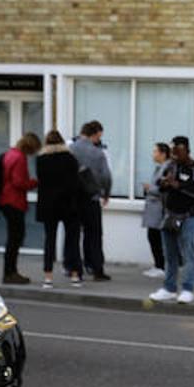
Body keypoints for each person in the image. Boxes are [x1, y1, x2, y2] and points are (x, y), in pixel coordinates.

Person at [149, 136, 194, 305]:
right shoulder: (170, 166)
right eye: (172, 151)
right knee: (169, 253)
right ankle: (169, 288)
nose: (174, 155)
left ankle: (188, 289)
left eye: (177, 151)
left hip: (189, 216)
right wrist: (164, 183)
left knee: (187, 252)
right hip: (169, 215)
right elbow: (157, 186)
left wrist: (180, 186)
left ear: (186, 150)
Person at [33, 130, 81, 289]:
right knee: (72, 240)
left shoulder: (41, 160)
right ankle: (75, 276)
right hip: (69, 203)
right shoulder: (70, 159)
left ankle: (48, 277)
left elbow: (41, 181)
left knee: (49, 240)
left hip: (49, 205)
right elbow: (76, 182)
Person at [69, 120, 112, 281]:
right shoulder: (97, 153)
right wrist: (106, 194)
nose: (99, 141)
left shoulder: (70, 149)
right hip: (91, 198)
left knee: (73, 234)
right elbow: (106, 176)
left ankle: (74, 269)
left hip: (73, 198)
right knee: (94, 234)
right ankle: (96, 269)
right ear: (94, 134)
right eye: (98, 137)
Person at [0, 131, 41, 284]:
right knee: (15, 238)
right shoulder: (20, 158)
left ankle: (10, 272)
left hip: (5, 199)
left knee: (13, 238)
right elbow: (19, 182)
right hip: (14, 201)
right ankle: (10, 273)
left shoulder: (10, 154)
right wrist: (34, 182)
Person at [140, 142, 171, 279]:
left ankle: (161, 266)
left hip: (159, 208)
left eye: (155, 151)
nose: (153, 154)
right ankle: (158, 264)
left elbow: (163, 189)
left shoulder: (166, 168)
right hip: (153, 207)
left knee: (156, 237)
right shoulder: (159, 167)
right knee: (153, 236)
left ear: (163, 154)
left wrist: (149, 188)